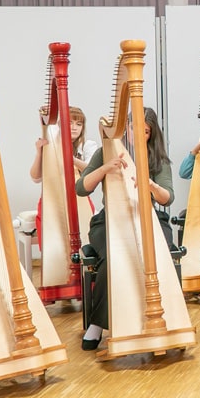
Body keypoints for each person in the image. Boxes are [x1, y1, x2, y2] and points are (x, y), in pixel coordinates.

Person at [76, 108, 175, 351]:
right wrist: (104, 168)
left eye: (146, 131)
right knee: (113, 258)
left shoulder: (157, 159)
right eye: (134, 128)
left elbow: (167, 198)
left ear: (151, 134)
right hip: (109, 220)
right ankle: (98, 325)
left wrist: (151, 186)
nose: (139, 134)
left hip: (148, 218)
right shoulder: (104, 152)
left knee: (158, 252)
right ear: (124, 128)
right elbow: (81, 188)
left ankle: (167, 317)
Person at [30, 106, 98, 247]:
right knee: (53, 242)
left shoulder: (88, 145)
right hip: (53, 199)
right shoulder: (51, 147)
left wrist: (70, 157)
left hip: (80, 200)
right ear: (60, 125)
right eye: (70, 123)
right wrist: (39, 153)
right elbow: (35, 178)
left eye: (79, 124)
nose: (74, 127)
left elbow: (91, 170)